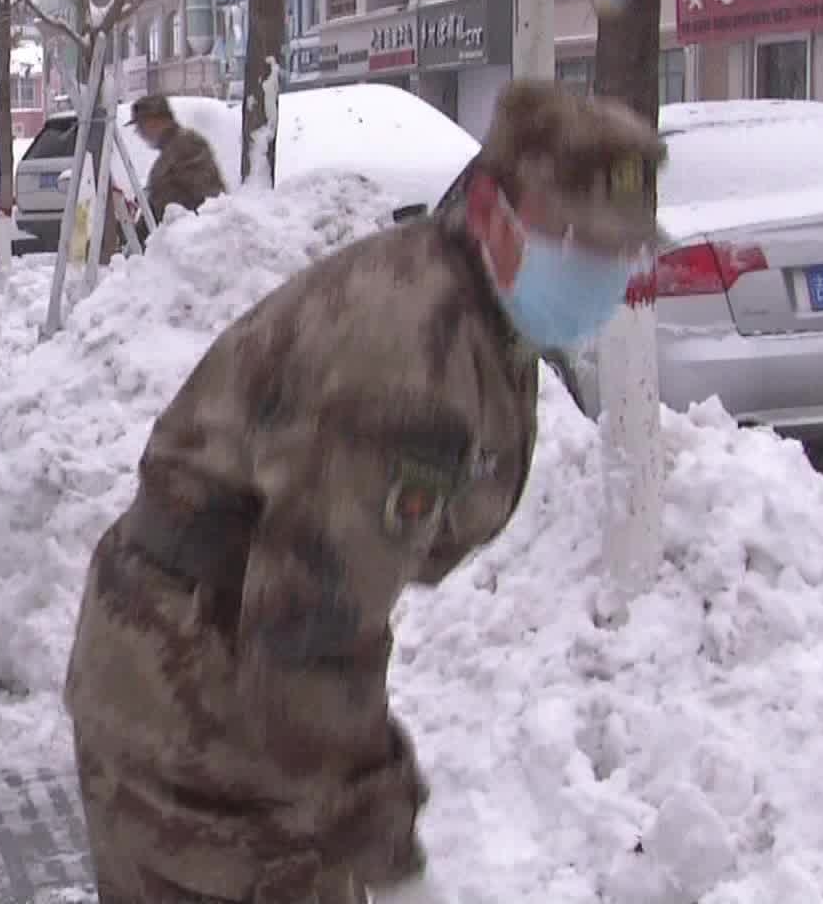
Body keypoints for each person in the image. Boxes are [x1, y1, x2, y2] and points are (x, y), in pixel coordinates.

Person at [64, 79, 666, 904]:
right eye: (579, 245)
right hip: (194, 696)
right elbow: (310, 630)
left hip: (231, 663)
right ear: (495, 215)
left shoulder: (475, 301)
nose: (605, 273)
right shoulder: (403, 362)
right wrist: (388, 854)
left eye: (622, 251)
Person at [131, 93, 224, 227]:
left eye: (141, 125)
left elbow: (203, 197)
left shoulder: (188, 145)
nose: (139, 132)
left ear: (158, 120)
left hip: (193, 236)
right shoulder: (171, 150)